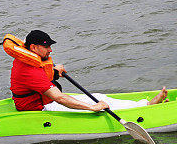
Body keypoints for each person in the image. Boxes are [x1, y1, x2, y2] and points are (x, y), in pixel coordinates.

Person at [10, 30, 168, 112]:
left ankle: (146, 105)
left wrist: (54, 71)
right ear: (33, 47)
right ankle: (146, 107)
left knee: (98, 97)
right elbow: (59, 98)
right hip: (41, 109)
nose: (50, 50)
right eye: (46, 47)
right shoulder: (29, 70)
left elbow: (40, 79)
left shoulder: (30, 59)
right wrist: (92, 108)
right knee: (96, 103)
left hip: (46, 100)